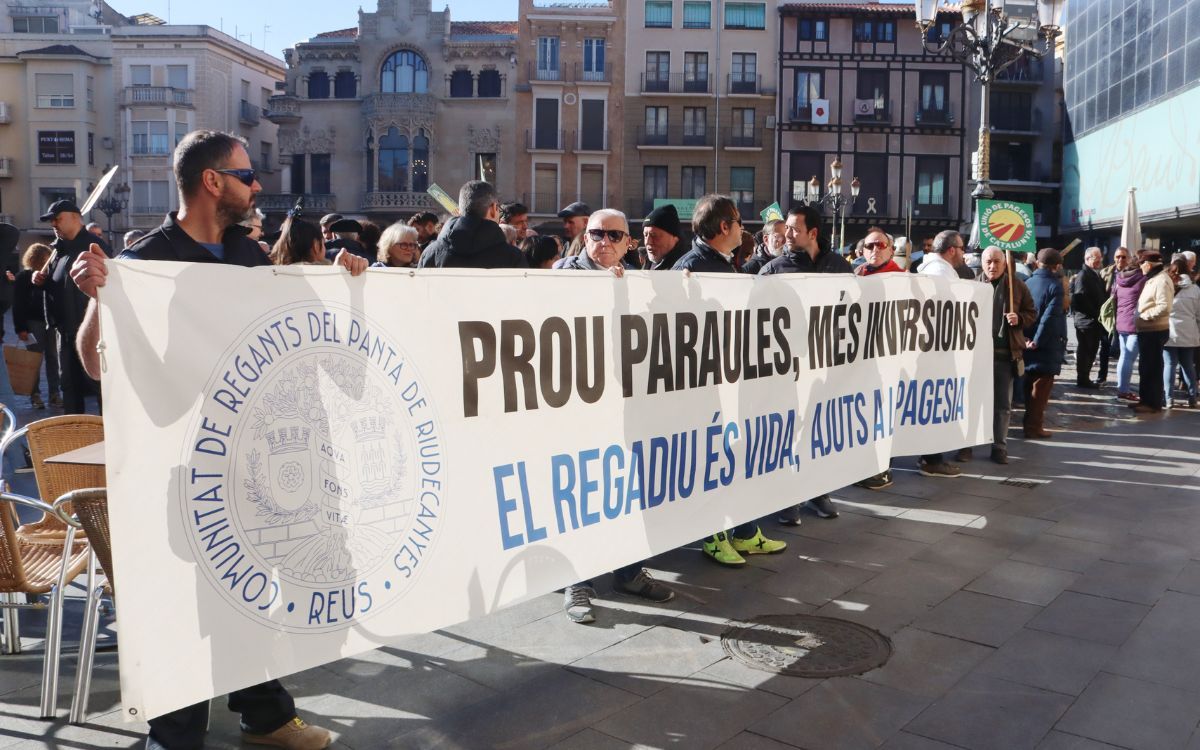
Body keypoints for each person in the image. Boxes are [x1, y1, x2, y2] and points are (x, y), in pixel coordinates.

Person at [70, 130, 364, 750]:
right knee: (181, 603)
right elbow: (96, 365)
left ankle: (265, 716)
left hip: (251, 463)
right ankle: (174, 738)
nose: (257, 185)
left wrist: (345, 282)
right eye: (247, 174)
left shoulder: (248, 255)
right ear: (212, 181)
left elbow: (290, 334)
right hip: (179, 467)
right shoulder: (149, 259)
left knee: (249, 594)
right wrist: (99, 299)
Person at [557, 208, 675, 623]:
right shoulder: (561, 276)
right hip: (578, 409)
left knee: (628, 490)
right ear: (584, 237)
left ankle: (628, 571)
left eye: (614, 235)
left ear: (628, 242)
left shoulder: (638, 281)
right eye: (595, 234)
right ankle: (579, 581)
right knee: (582, 492)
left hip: (627, 405)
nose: (603, 241)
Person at [668, 195, 789, 563]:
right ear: (724, 227)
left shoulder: (719, 263)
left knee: (736, 459)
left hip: (729, 381)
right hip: (707, 387)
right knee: (714, 460)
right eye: (738, 221)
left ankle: (745, 531)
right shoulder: (694, 267)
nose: (742, 227)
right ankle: (714, 536)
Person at [761, 205, 851, 517]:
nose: (787, 234)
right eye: (786, 228)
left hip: (827, 369)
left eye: (794, 229)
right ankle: (787, 498)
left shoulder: (839, 266)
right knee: (790, 433)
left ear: (812, 233)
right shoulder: (774, 269)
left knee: (820, 431)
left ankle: (818, 491)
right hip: (788, 371)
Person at [33, 198, 112, 414]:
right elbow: (58, 283)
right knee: (68, 386)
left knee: (100, 386)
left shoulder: (94, 245)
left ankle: (108, 437)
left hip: (90, 333)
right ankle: (75, 435)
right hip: (64, 332)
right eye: (51, 221)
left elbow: (111, 285)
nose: (54, 225)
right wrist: (41, 281)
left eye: (57, 219)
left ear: (76, 218)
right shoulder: (57, 250)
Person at [959, 247, 1037, 463]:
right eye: (988, 262)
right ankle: (966, 446)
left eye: (996, 262)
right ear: (982, 263)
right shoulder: (973, 285)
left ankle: (999, 447)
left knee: (1002, 405)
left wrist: (1019, 319)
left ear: (1005, 263)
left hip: (1005, 355)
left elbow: (1031, 313)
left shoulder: (1017, 286)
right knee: (971, 403)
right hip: (976, 355)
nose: (992, 266)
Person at [913, 230, 967, 476]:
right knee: (935, 403)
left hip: (931, 349)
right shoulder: (940, 273)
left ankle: (929, 457)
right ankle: (932, 460)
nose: (964, 253)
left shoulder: (929, 268)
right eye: (962, 248)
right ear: (952, 249)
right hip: (937, 351)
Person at [853, 227, 904, 487]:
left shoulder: (901, 278)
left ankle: (880, 469)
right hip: (861, 360)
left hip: (888, 361)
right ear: (861, 251)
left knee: (883, 417)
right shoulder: (857, 274)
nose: (875, 250)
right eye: (870, 246)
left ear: (891, 250)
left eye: (880, 245)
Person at [417, 181, 527, 269]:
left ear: (461, 209)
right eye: (498, 209)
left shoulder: (430, 253)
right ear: (493, 209)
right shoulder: (513, 257)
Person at [1022, 248, 1068, 437]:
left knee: (1028, 386)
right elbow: (1049, 318)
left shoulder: (1028, 282)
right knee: (1040, 389)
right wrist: (1037, 341)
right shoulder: (1055, 286)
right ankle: (1033, 427)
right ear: (1057, 266)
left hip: (1026, 341)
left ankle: (1030, 424)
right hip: (1044, 344)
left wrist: (1024, 338)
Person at [12, 242, 59, 409]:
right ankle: (35, 395)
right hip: (33, 322)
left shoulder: (51, 275)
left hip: (51, 322)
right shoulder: (24, 277)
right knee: (34, 360)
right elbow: (18, 304)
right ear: (37, 258)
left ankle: (55, 394)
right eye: (45, 257)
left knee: (53, 358)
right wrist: (21, 328)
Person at [1133, 249, 1173, 413]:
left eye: (1141, 264)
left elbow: (1165, 306)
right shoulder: (1154, 278)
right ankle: (1145, 400)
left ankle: (1152, 403)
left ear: (1148, 265)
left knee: (1152, 367)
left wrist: (1144, 316)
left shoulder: (1161, 280)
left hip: (1154, 330)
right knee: (1145, 366)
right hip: (1147, 330)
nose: (1140, 267)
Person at [1111, 247, 1147, 402]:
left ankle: (1122, 387)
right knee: (1128, 358)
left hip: (1121, 322)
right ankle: (1124, 389)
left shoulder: (1120, 277)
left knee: (1124, 357)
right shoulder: (1142, 279)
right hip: (1133, 323)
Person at [1164, 256, 1200, 408]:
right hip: (1188, 332)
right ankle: (1192, 397)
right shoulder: (1195, 289)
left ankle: (1168, 398)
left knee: (1169, 365)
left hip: (1169, 331)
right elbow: (1198, 314)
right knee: (1188, 365)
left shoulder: (1168, 286)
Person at [1071, 247, 1108, 388]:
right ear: (1087, 259)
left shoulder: (1094, 274)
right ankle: (1083, 378)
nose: (1100, 260)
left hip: (1094, 320)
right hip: (1087, 321)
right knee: (1086, 351)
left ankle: (1085, 377)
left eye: (1100, 257)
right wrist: (1095, 313)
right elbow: (1080, 299)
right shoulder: (1083, 275)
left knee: (1091, 351)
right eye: (1096, 257)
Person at [1097, 247, 1132, 384]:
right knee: (1104, 345)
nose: (1120, 259)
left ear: (1128, 258)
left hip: (1125, 314)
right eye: (1118, 256)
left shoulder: (1133, 273)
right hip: (1109, 314)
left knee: (1124, 349)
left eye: (1123, 257)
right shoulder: (1106, 273)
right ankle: (1102, 375)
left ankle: (1123, 380)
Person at [642, 203, 687, 270]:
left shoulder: (686, 267)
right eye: (645, 235)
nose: (648, 242)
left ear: (675, 238)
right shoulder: (647, 262)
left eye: (654, 235)